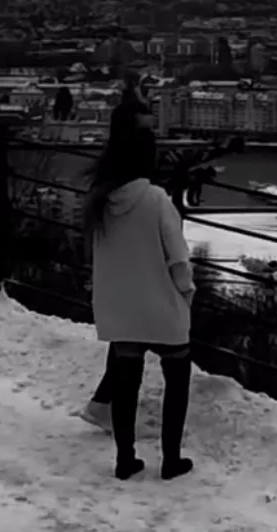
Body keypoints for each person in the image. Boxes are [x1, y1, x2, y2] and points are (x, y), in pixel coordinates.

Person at [83, 125, 197, 480]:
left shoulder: (99, 202)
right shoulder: (156, 199)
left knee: (125, 383)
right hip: (162, 307)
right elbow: (178, 259)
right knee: (177, 379)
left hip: (122, 311)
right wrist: (185, 294)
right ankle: (171, 460)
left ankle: (125, 459)